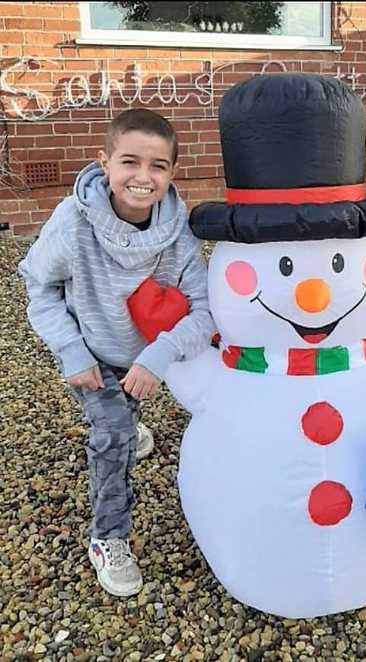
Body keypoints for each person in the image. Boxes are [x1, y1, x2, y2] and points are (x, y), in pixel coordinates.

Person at [19, 109, 216, 597]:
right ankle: (108, 536)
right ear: (104, 163)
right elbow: (38, 286)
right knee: (112, 436)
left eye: (158, 166)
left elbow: (205, 309)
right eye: (130, 162)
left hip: (145, 354)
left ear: (172, 173)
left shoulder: (180, 234)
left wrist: (162, 353)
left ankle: (129, 424)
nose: (142, 177)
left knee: (129, 416)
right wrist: (70, 350)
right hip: (93, 355)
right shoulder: (71, 225)